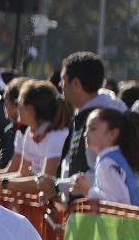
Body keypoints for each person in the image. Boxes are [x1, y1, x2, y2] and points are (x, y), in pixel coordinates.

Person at [38, 52, 128, 200]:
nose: (60, 85)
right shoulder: (91, 114)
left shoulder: (101, 120)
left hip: (93, 215)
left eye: (63, 79)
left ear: (76, 84)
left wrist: (57, 186)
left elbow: (102, 173)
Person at [0, 80, 71, 194]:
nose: (17, 108)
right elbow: (23, 173)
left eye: (18, 103)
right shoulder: (29, 133)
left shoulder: (56, 136)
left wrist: (3, 183)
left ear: (30, 109)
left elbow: (45, 182)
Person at [70, 108, 139, 205]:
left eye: (93, 128)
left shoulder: (107, 163)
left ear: (112, 134)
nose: (85, 134)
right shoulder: (114, 157)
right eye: (86, 128)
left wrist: (89, 190)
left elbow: (119, 204)